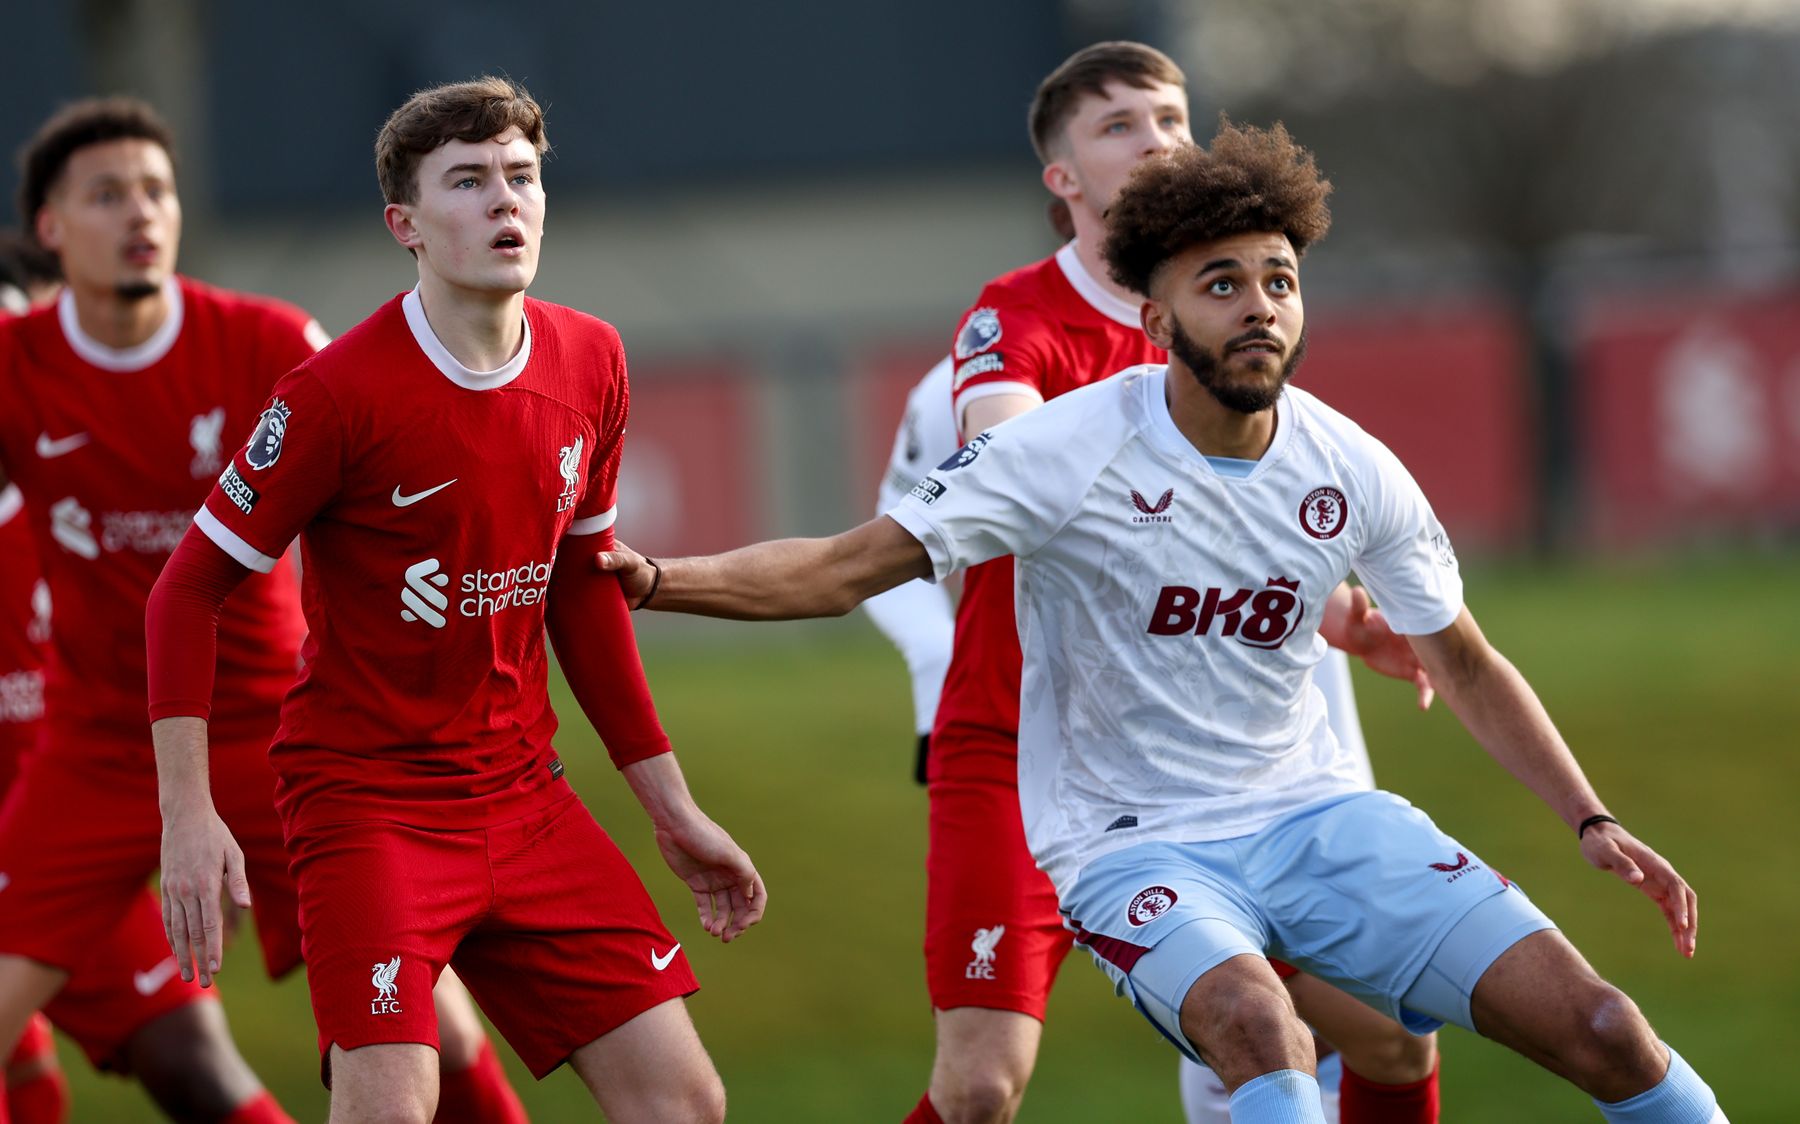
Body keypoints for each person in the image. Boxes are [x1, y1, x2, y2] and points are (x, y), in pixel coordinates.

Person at [598, 119, 1722, 1124]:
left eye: (1279, 281)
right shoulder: (1065, 448)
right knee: (1259, 1032)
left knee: (1608, 1031)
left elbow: (1465, 662)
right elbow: (843, 567)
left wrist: (1589, 816)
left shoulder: (1351, 465)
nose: (1258, 309)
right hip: (1131, 841)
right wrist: (651, 578)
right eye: (1221, 284)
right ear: (1157, 313)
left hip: (1315, 815)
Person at [146, 77, 763, 1124]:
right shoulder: (335, 394)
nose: (504, 202)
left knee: (685, 1100)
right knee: (393, 1106)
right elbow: (185, 588)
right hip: (368, 803)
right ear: (408, 226)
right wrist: (190, 814)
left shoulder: (593, 359)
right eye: (469, 182)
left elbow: (582, 588)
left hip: (526, 795)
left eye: (520, 177)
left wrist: (672, 805)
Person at [868, 42, 1437, 1124]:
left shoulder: (1228, 314)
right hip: (1027, 744)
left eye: (1171, 116)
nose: (1156, 139)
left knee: (1371, 1029)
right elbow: (1013, 465)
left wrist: (1338, 608)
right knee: (981, 1086)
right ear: (1064, 179)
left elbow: (1256, 508)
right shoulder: (1013, 320)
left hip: (1213, 745)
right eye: (1119, 124)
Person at [0, 98, 524, 1123]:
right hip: (96, 746)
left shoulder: (267, 344)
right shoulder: (16, 369)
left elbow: (394, 502)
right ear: (52, 229)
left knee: (434, 1028)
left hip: (287, 737)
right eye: (107, 196)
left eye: (156, 190)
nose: (141, 214)